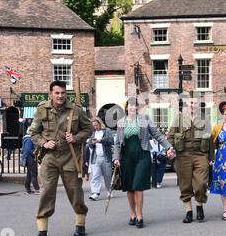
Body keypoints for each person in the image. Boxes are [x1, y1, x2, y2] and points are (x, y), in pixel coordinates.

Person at [28, 80, 92, 236]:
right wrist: (44, 143)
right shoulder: (42, 109)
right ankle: (42, 232)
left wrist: (76, 137)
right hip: (49, 156)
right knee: (46, 192)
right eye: (57, 93)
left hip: (70, 156)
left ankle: (80, 224)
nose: (60, 96)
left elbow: (88, 129)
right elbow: (33, 133)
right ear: (50, 94)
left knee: (75, 191)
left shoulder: (76, 110)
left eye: (63, 93)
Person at [113, 97, 173, 228]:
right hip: (127, 157)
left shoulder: (145, 119)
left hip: (142, 155)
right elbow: (117, 143)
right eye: (131, 106)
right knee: (129, 187)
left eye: (135, 106)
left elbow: (157, 135)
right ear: (126, 107)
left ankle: (140, 216)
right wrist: (116, 158)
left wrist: (168, 147)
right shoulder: (121, 122)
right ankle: (132, 214)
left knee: (138, 186)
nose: (133, 108)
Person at [167, 91, 212, 223]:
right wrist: (169, 149)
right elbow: (170, 136)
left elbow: (210, 140)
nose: (193, 105)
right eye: (191, 102)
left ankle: (199, 206)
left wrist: (211, 158)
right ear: (187, 103)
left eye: (196, 103)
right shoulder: (179, 118)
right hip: (183, 155)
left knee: (201, 183)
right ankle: (188, 211)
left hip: (200, 154)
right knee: (185, 184)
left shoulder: (205, 119)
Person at [88, 117, 114, 201]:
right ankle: (95, 193)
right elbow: (89, 144)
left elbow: (111, 141)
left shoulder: (107, 130)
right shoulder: (92, 132)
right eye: (93, 126)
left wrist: (100, 140)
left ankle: (109, 190)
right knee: (95, 175)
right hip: (95, 157)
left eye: (96, 125)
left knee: (107, 175)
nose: (95, 127)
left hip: (106, 156)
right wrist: (92, 142)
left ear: (100, 123)